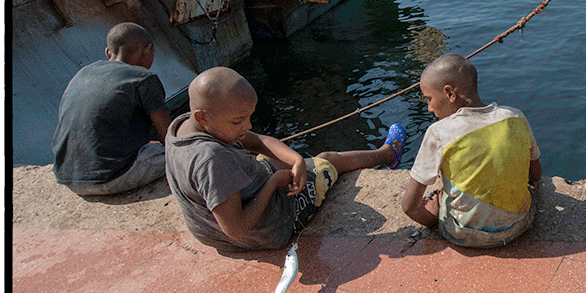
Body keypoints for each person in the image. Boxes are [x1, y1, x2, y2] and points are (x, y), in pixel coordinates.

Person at [165, 67, 405, 251]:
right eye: (238, 121)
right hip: (271, 227)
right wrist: (273, 184)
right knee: (327, 159)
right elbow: (237, 230)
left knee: (270, 157)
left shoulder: (182, 127)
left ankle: (295, 167)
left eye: (249, 117)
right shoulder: (211, 160)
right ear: (203, 117)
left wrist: (297, 160)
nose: (246, 126)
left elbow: (257, 141)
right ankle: (387, 154)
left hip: (210, 233)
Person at [400, 54, 541, 248]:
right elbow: (535, 174)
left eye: (429, 99)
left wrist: (435, 222)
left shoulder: (438, 132)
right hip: (519, 226)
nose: (429, 108)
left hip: (463, 235)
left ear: (450, 93)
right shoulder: (515, 117)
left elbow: (409, 206)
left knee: (437, 198)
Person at [53, 22, 171, 196]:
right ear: (148, 49)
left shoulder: (83, 74)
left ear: (108, 52)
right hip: (110, 178)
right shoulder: (144, 78)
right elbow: (169, 137)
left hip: (68, 177)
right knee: (191, 150)